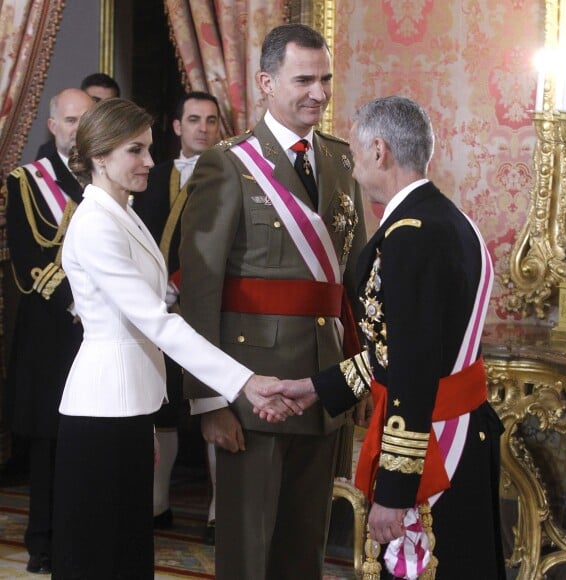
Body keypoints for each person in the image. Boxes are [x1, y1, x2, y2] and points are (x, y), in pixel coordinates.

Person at [51, 97, 297, 580]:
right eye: (135, 151)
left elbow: (159, 293)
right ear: (100, 157)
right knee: (99, 552)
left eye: (148, 149)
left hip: (131, 400)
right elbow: (155, 319)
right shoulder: (97, 220)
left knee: (127, 546)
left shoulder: (123, 210)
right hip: (103, 405)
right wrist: (242, 381)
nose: (148, 161)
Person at [273, 96, 506, 579]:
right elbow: (395, 351)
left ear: (378, 150)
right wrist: (316, 389)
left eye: (357, 151)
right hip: (457, 432)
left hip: (437, 447)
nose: (354, 166)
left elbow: (413, 372)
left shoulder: (410, 237)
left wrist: (395, 493)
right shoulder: (447, 219)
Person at [179, 23, 367, 580]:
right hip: (252, 386)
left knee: (303, 545)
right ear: (266, 82)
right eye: (304, 79)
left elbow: (349, 285)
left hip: (322, 380)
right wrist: (209, 400)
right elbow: (201, 289)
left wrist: (353, 377)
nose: (320, 92)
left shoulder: (341, 160)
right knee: (248, 548)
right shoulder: (228, 163)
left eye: (326, 79)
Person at [3, 87, 94, 574]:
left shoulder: (108, 175)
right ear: (53, 125)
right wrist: (76, 302)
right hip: (52, 329)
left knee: (92, 437)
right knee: (48, 441)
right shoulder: (26, 181)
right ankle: (43, 541)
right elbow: (27, 258)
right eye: (72, 119)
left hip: (101, 331)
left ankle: (86, 535)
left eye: (88, 120)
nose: (79, 129)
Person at [131, 91, 221, 536]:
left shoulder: (234, 179)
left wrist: (181, 284)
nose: (203, 127)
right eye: (194, 119)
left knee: (215, 403)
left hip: (213, 311)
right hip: (158, 313)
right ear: (177, 126)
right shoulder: (151, 176)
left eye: (211, 120)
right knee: (162, 407)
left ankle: (218, 512)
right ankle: (157, 503)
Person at [36, 73, 120, 160]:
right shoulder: (49, 151)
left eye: (108, 103)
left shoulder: (122, 149)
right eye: (95, 101)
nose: (100, 109)